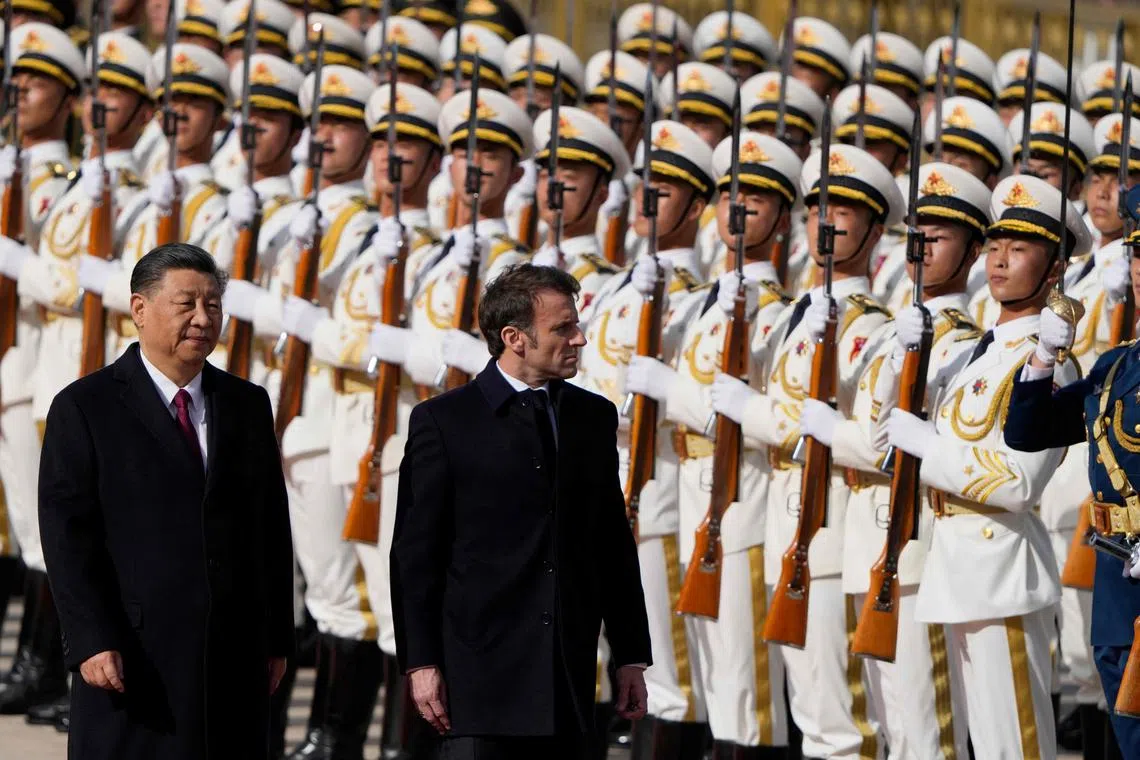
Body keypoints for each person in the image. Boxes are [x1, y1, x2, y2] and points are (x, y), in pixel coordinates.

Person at [37, 243, 295, 759]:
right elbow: (68, 539)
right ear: (139, 309)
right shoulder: (86, 407)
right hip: (132, 659)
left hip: (230, 658)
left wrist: (276, 640)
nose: (203, 319)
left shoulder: (245, 404)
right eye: (186, 305)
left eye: (213, 306)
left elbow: (269, 530)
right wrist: (90, 638)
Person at [390, 263, 652, 760]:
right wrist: (420, 662)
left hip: (567, 681)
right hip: (477, 684)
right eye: (562, 329)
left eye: (576, 325)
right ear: (514, 337)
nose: (579, 339)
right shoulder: (443, 422)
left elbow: (611, 545)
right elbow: (415, 557)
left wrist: (630, 655)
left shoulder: (593, 417)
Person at [887, 174, 1088, 759]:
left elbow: (1021, 481)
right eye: (996, 246)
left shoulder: (1049, 364)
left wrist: (932, 449)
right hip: (953, 559)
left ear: (1053, 269)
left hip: (1001, 567)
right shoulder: (977, 351)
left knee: (1014, 743)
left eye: (1020, 249)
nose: (1000, 261)